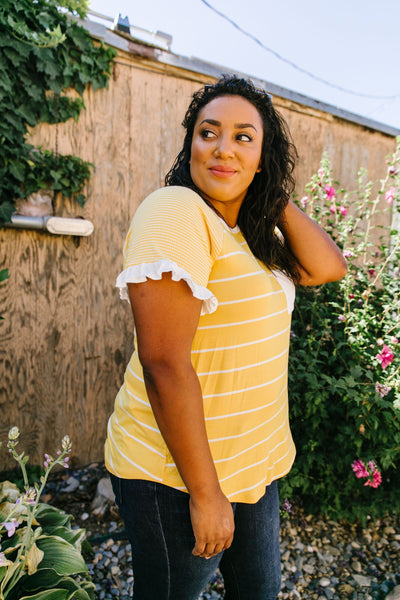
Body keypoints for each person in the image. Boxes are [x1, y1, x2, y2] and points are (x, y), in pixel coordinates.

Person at [105, 75, 347, 600]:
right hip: (179, 474)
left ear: (264, 157)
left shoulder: (254, 238)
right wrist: (206, 494)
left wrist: (272, 195)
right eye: (208, 132)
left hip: (252, 464)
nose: (222, 148)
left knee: (259, 591)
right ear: (190, 142)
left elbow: (329, 267)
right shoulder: (176, 211)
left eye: (243, 138)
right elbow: (164, 364)